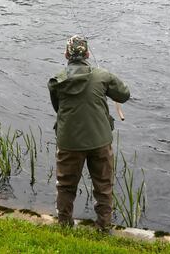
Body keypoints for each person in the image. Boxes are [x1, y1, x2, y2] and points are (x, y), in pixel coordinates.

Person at [47, 35, 130, 231]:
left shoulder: (56, 81)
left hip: (69, 141)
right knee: (103, 185)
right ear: (87, 54)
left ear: (66, 54)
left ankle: (64, 224)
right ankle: (103, 227)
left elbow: (57, 108)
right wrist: (107, 80)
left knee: (66, 185)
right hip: (100, 140)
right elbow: (124, 95)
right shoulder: (103, 76)